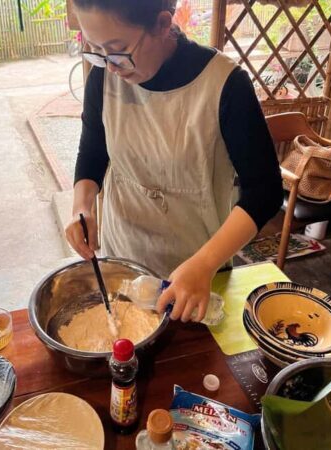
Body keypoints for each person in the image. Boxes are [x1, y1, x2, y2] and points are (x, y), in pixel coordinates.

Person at [65, 0, 283, 323]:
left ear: (163, 23)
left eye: (116, 49)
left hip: (198, 282)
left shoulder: (224, 85)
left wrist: (204, 264)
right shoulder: (103, 76)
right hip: (123, 270)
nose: (109, 66)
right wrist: (82, 208)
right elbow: (94, 152)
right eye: (94, 49)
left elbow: (264, 192)